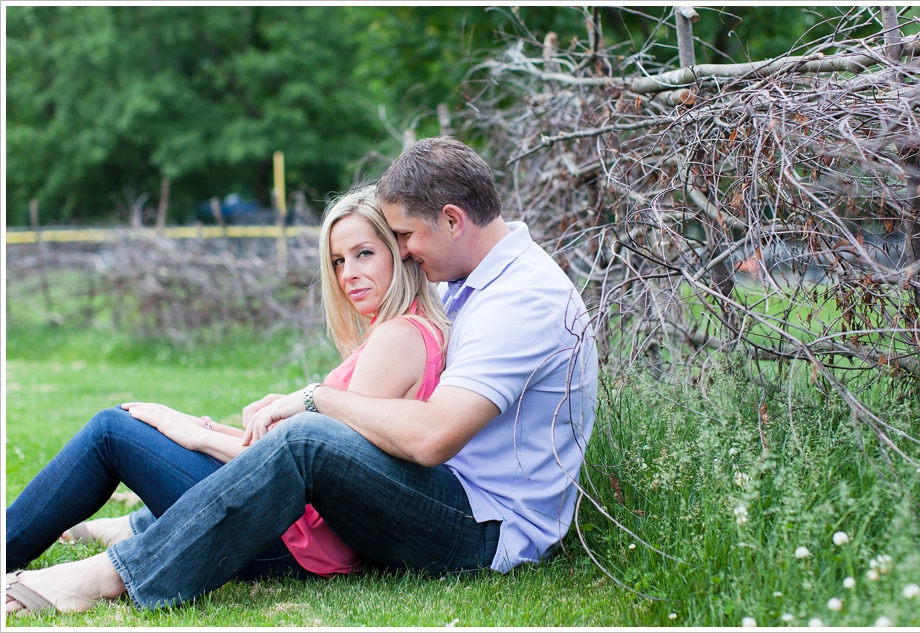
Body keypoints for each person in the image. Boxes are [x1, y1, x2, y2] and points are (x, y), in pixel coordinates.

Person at [5, 136, 598, 615]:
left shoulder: (521, 299)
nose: (406, 254)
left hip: (484, 528)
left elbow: (430, 436)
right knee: (282, 432)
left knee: (304, 437)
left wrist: (312, 400)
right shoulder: (474, 284)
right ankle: (131, 531)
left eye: (403, 240)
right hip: (447, 494)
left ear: (451, 219)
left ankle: (110, 576)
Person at [6, 185, 451, 612]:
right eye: (337, 260)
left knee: (112, 432)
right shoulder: (401, 332)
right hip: (285, 526)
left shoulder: (396, 339)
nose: (348, 273)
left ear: (399, 252)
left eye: (364, 253)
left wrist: (198, 438)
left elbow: (312, 471)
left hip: (287, 543)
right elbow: (295, 452)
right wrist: (203, 430)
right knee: (132, 426)